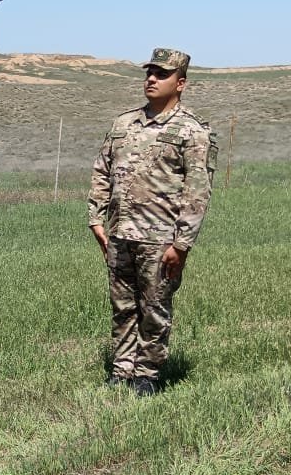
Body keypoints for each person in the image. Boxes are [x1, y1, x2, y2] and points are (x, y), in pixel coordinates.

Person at [88, 47, 217, 396]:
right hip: (119, 232)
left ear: (181, 83)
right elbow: (102, 171)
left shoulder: (192, 131)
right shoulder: (123, 123)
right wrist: (96, 219)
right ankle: (122, 370)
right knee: (123, 307)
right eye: (149, 72)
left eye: (162, 74)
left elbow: (197, 192)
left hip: (161, 238)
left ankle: (147, 374)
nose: (151, 79)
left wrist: (182, 244)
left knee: (154, 308)